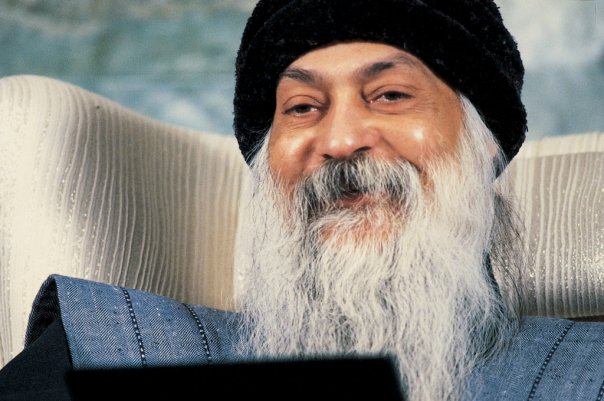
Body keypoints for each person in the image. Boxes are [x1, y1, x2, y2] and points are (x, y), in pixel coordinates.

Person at [2, 1, 604, 400]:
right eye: (302, 108)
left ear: (484, 145)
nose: (339, 141)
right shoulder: (102, 349)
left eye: (390, 95)